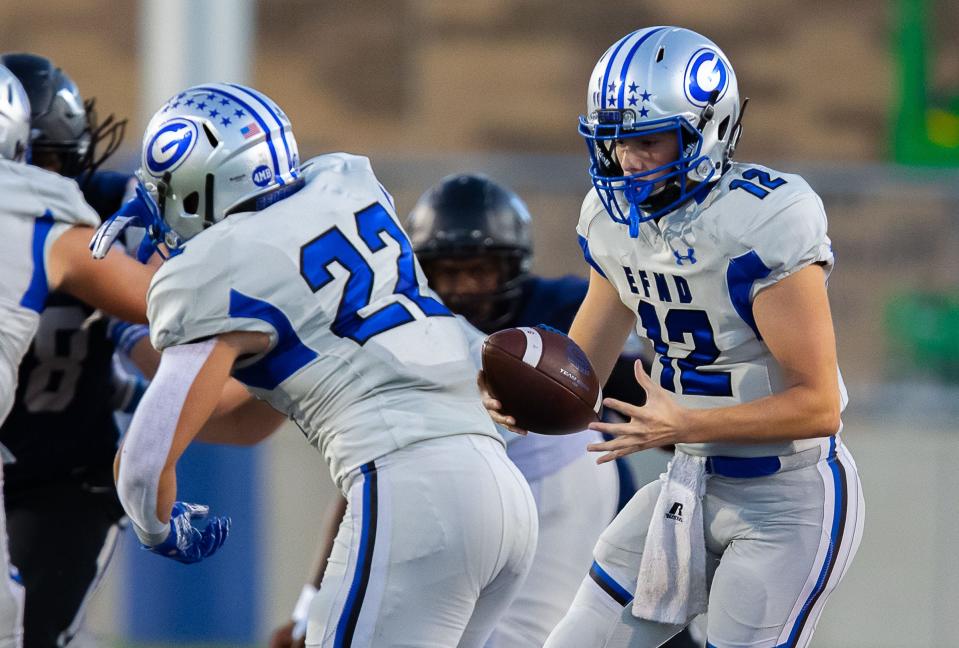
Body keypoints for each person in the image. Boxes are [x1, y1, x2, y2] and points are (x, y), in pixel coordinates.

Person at [101, 82, 537, 648]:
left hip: (415, 490)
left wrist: (158, 528)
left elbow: (143, 466)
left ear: (196, 186)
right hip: (500, 488)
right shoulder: (342, 184)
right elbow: (246, 420)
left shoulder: (214, 269)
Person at [482, 26, 865, 648]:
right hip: (689, 481)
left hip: (785, 501)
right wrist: (526, 402)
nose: (628, 162)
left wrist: (686, 425)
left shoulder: (763, 220)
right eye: (616, 143)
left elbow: (818, 404)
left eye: (646, 141)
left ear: (708, 130)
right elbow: (584, 361)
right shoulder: (610, 222)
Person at [0, 64, 152, 648]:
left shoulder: (106, 215)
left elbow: (158, 315)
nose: (42, 178)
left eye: (54, 161)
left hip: (65, 477)